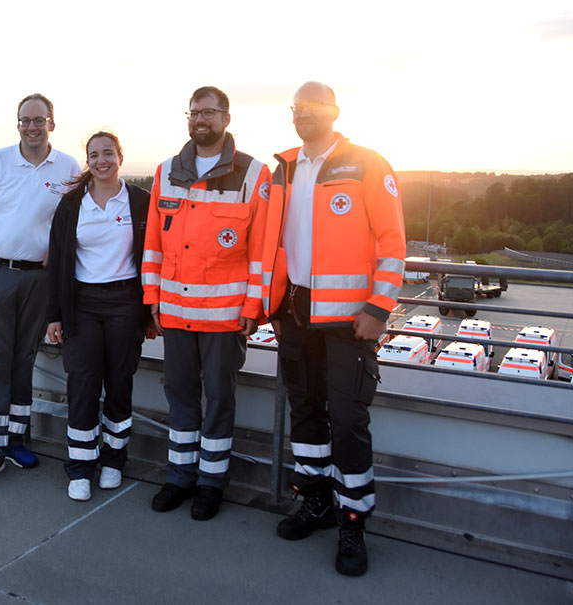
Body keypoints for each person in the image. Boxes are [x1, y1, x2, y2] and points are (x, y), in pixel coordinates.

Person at [261, 81, 406, 576]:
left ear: (335, 111)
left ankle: (352, 520)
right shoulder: (283, 169)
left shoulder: (366, 164)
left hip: (350, 321)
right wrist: (268, 302)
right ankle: (316, 499)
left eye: (314, 106)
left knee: (346, 420)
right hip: (295, 312)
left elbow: (392, 242)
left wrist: (379, 307)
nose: (304, 114)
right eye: (297, 107)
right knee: (305, 413)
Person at [141, 86, 270, 520]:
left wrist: (252, 309)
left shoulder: (253, 174)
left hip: (224, 317)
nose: (200, 120)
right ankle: (179, 476)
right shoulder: (166, 172)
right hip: (175, 313)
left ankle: (211, 482)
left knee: (218, 399)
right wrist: (152, 298)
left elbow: (261, 252)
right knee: (179, 395)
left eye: (209, 112)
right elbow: (153, 244)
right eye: (194, 112)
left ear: (226, 119)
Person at [0, 93, 80, 486]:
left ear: (51, 124)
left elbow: (73, 222)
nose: (31, 127)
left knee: (24, 358)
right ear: (18, 125)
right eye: (25, 120)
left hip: (38, 280)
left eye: (38, 120)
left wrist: (56, 255)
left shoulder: (67, 166)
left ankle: (15, 441)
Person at [45, 131, 153, 501]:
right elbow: (57, 263)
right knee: (83, 384)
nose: (101, 161)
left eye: (108, 153)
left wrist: (150, 312)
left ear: (120, 157)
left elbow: (154, 256)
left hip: (126, 302)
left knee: (120, 382)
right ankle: (80, 465)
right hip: (83, 304)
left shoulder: (140, 201)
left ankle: (114, 460)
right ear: (87, 161)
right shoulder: (72, 204)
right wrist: (54, 315)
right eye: (94, 155)